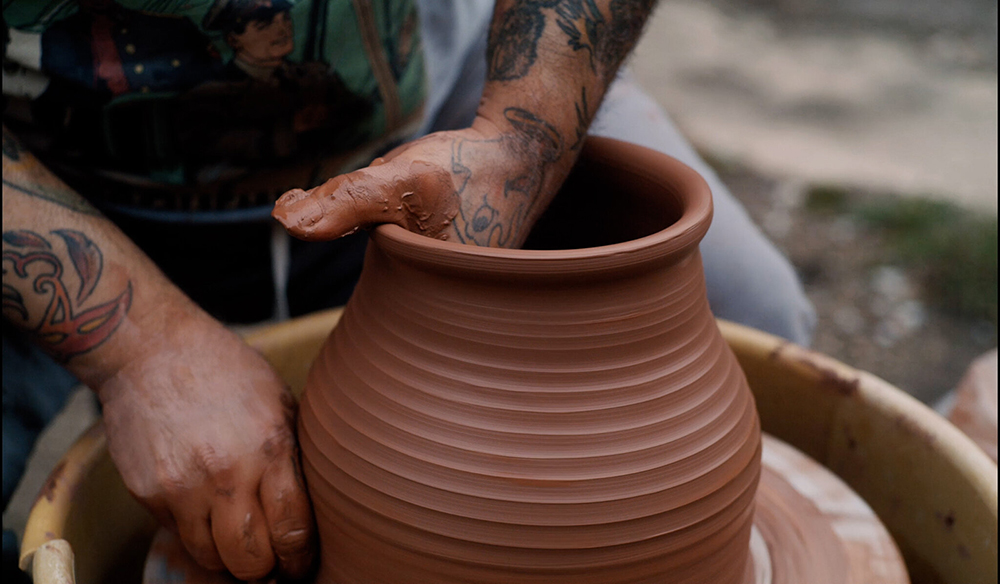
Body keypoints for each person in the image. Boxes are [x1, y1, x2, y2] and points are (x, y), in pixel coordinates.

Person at [2, 0, 815, 580]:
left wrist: (522, 141)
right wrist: (140, 346)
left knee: (756, 327)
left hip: (449, 113)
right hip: (50, 177)